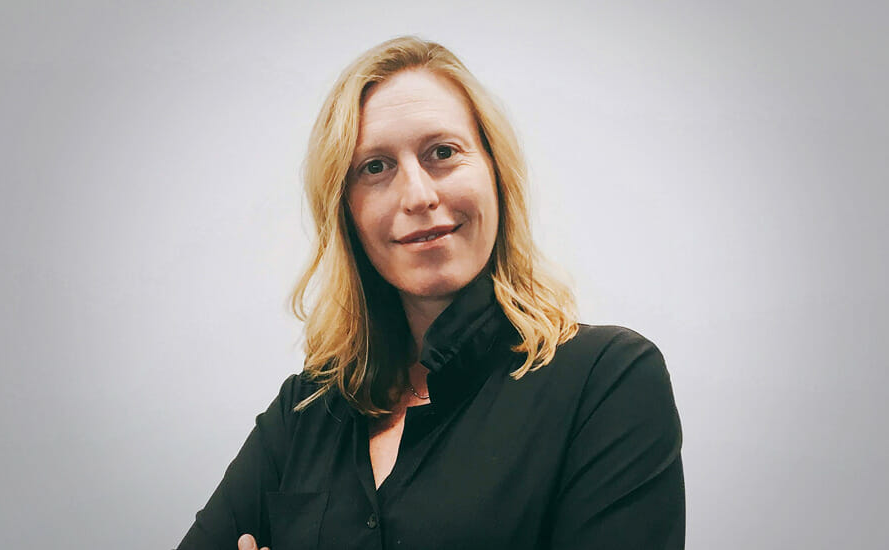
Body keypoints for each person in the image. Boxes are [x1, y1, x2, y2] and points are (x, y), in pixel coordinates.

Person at [176, 35, 684, 550]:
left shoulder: (608, 381)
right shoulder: (302, 412)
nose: (418, 195)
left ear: (495, 175)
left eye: (442, 152)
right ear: (345, 212)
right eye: (375, 167)